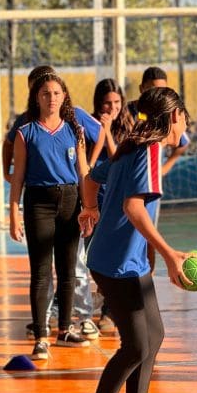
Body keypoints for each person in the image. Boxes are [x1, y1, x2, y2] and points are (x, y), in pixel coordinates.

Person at [74, 86, 190, 393]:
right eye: (183, 117)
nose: (184, 125)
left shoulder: (130, 147)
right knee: (136, 344)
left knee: (152, 337)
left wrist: (90, 207)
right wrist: (170, 254)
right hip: (116, 264)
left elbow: (92, 177)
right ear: (174, 117)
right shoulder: (151, 151)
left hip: (127, 262)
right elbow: (133, 207)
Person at [4, 65, 102, 341]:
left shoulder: (75, 130)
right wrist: (14, 213)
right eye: (46, 93)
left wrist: (89, 207)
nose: (52, 97)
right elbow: (18, 177)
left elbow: (83, 173)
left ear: (64, 96)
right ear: (37, 97)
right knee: (41, 271)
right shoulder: (27, 132)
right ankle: (41, 336)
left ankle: (65, 330)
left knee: (68, 270)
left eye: (57, 92)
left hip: (70, 201)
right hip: (39, 202)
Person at [127, 66, 189, 272]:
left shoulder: (164, 122)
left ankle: (148, 276)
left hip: (149, 179)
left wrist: (165, 168)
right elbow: (132, 207)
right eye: (152, 89)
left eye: (163, 89)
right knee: (134, 230)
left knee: (147, 231)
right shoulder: (128, 114)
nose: (157, 93)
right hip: (130, 177)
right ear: (141, 88)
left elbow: (183, 143)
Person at [87, 78, 134, 332]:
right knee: (92, 256)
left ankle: (109, 310)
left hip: (117, 199)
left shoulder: (127, 126)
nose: (112, 108)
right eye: (107, 103)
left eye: (117, 102)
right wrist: (100, 130)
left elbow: (119, 159)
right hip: (95, 198)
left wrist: (107, 133)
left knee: (115, 256)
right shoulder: (90, 125)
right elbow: (90, 163)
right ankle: (100, 298)